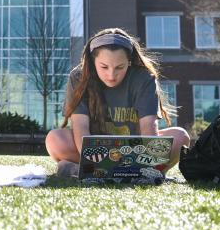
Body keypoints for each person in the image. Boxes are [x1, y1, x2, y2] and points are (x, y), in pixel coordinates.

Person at [45, 28, 190, 176]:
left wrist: (148, 159)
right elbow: (80, 127)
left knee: (180, 137)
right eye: (104, 67)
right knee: (55, 139)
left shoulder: (144, 78)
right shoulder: (78, 77)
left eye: (119, 67)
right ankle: (104, 169)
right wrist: (95, 160)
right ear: (92, 61)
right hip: (95, 152)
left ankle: (83, 170)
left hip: (136, 152)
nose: (111, 75)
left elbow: (149, 127)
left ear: (129, 61)